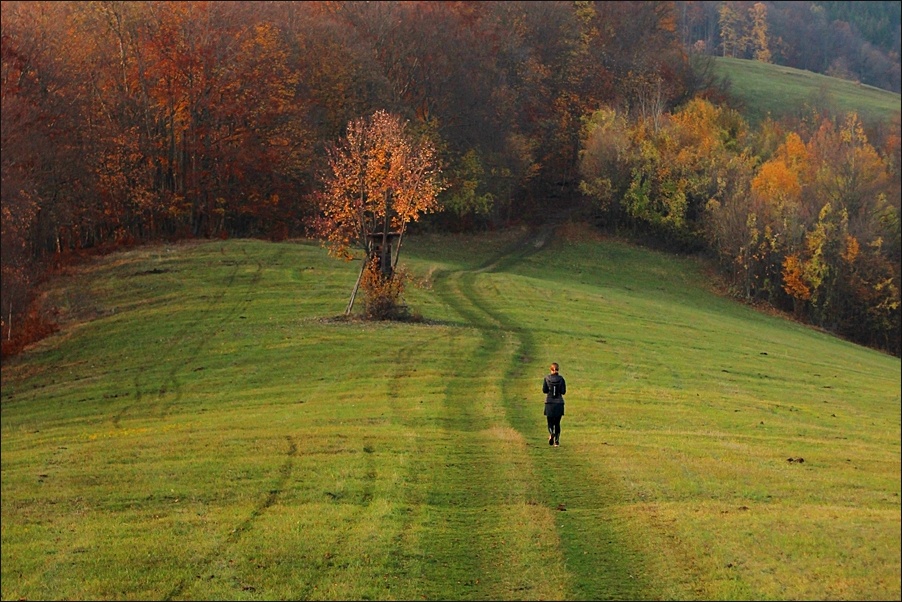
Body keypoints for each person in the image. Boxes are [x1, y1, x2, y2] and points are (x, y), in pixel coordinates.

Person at [542, 362, 566, 447]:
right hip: (559, 403)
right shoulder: (561, 379)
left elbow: (544, 390)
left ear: (551, 370)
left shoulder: (547, 378)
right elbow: (563, 392)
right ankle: (557, 441)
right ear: (558, 370)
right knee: (557, 423)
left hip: (549, 403)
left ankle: (551, 433)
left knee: (550, 422)